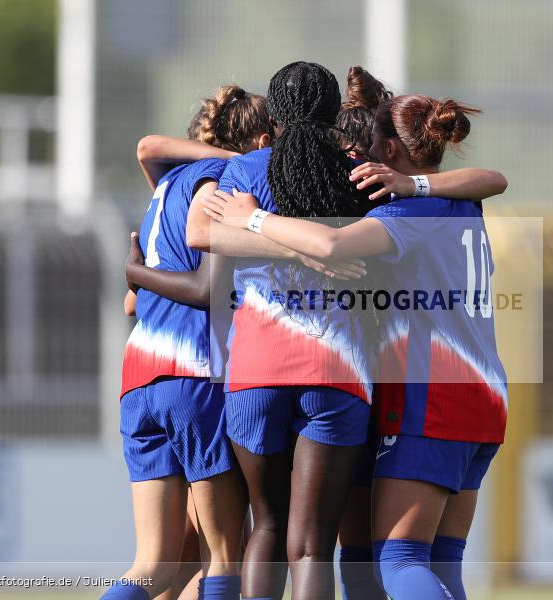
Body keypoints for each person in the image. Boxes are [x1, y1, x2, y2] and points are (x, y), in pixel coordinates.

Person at [203, 92, 508, 600]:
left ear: (387, 149)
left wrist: (250, 219)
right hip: (487, 397)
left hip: (435, 394)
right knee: (442, 562)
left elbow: (331, 245)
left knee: (400, 560)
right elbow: (495, 178)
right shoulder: (460, 197)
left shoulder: (410, 211)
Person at [105, 84, 363, 600]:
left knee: (156, 562)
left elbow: (134, 300)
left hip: (138, 372)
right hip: (196, 371)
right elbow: (207, 285)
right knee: (224, 554)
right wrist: (305, 250)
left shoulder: (165, 185)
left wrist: (134, 271)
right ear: (265, 140)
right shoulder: (225, 185)